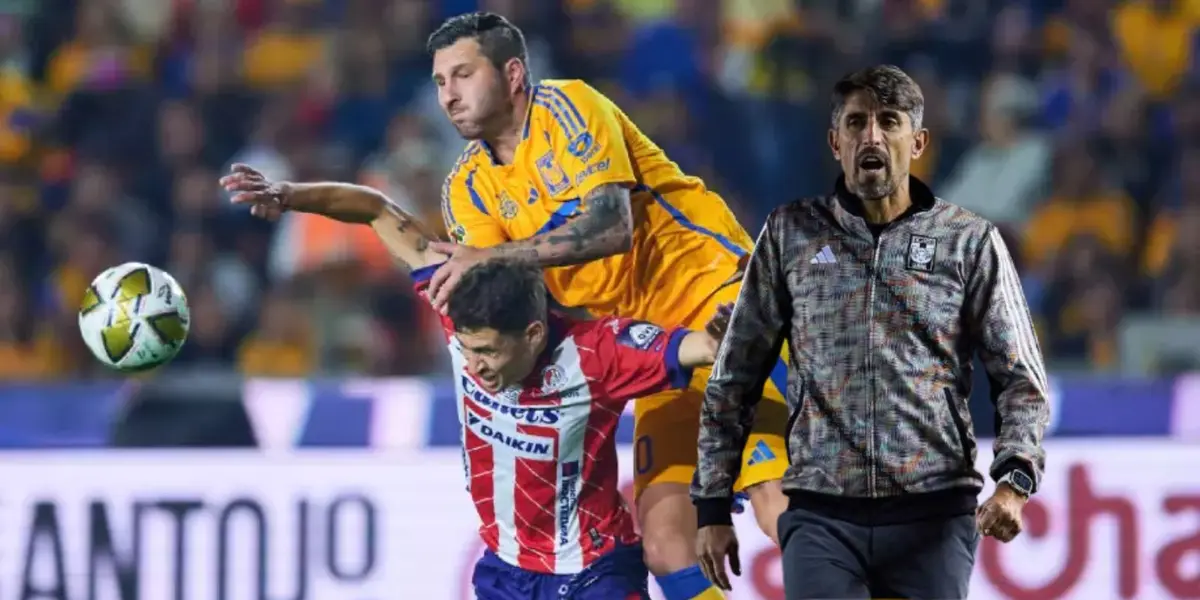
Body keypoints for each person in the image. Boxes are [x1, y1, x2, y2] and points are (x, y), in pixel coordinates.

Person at [221, 164, 734, 599]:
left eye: (488, 351)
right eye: (468, 350)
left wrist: (720, 331)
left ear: (534, 334)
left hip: (594, 572)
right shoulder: (454, 304)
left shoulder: (599, 353)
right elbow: (376, 209)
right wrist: (288, 195)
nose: (477, 366)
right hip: (505, 571)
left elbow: (699, 347)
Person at [422, 12, 790, 597]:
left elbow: (611, 225)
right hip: (653, 346)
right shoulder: (467, 188)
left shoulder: (567, 108)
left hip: (716, 297)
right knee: (668, 545)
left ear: (513, 74)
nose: (448, 95)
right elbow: (503, 298)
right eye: (440, 81)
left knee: (773, 496)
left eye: (463, 75)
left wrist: (495, 259)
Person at [690, 65, 1052, 599]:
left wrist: (1015, 479)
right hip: (820, 516)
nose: (872, 136)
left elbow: (1022, 378)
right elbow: (734, 376)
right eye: (856, 123)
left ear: (919, 141)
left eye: (889, 121)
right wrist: (712, 505)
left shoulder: (968, 243)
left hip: (933, 516)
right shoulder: (791, 235)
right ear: (835, 143)